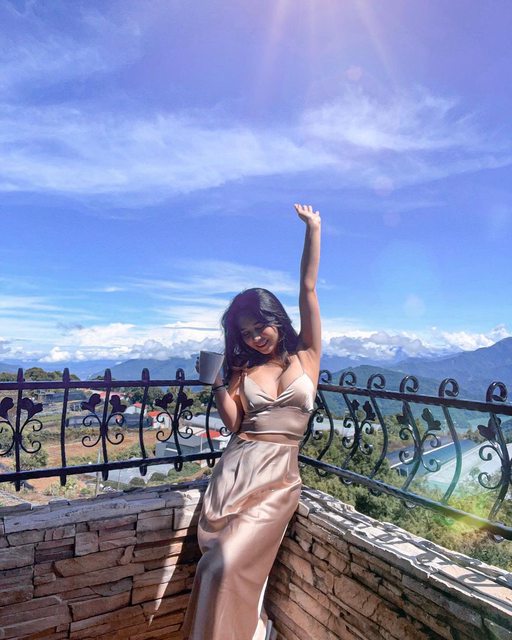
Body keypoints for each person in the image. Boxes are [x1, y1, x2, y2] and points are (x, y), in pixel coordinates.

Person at [183, 204, 321, 640]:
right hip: (238, 471)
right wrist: (216, 384)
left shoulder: (307, 356)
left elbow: (308, 287)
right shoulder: (243, 370)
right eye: (245, 333)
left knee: (225, 566)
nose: (255, 337)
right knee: (216, 567)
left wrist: (313, 229)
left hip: (279, 479)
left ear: (276, 320)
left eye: (260, 326)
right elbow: (235, 423)